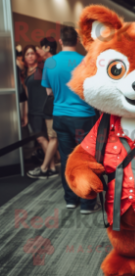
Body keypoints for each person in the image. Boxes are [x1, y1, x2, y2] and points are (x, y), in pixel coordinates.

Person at [41, 26, 99, 214]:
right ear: (78, 41)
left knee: (67, 157)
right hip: (83, 117)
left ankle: (70, 199)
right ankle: (87, 203)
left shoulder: (50, 63)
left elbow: (49, 92)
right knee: (85, 158)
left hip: (60, 116)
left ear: (60, 41)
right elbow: (93, 92)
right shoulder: (86, 62)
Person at [22, 45, 58, 178]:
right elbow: (26, 94)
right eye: (27, 54)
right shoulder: (23, 72)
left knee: (51, 137)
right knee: (41, 139)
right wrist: (25, 114)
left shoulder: (42, 68)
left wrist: (45, 53)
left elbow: (53, 63)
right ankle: (52, 167)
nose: (30, 56)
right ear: (24, 58)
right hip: (33, 110)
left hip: (46, 108)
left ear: (36, 55)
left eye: (32, 53)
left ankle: (47, 168)